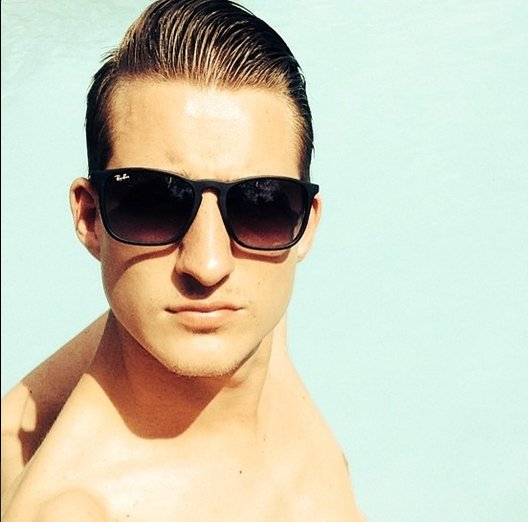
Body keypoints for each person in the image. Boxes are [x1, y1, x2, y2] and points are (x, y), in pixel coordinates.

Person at [1, 1, 366, 520]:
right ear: (90, 218)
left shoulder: (258, 319)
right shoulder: (77, 508)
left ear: (303, 225)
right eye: (154, 203)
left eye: (260, 203)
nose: (209, 264)